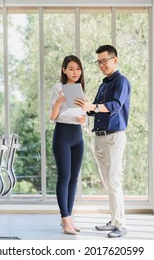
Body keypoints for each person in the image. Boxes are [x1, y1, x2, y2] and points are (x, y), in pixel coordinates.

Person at [74, 45, 131, 238]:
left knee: (114, 181)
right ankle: (114, 219)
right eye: (98, 61)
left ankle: (120, 224)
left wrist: (94, 106)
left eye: (104, 61)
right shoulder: (104, 84)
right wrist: (85, 107)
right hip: (99, 137)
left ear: (114, 60)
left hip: (114, 137)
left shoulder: (121, 81)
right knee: (108, 182)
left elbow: (114, 106)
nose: (101, 65)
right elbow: (94, 109)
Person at [49, 55, 86, 235]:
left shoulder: (81, 89)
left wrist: (83, 118)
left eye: (78, 69)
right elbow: (52, 117)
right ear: (64, 70)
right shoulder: (57, 88)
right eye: (71, 68)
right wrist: (59, 101)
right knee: (64, 177)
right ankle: (64, 219)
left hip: (78, 136)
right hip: (62, 134)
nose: (75, 72)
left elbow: (84, 116)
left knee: (73, 179)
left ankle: (69, 217)